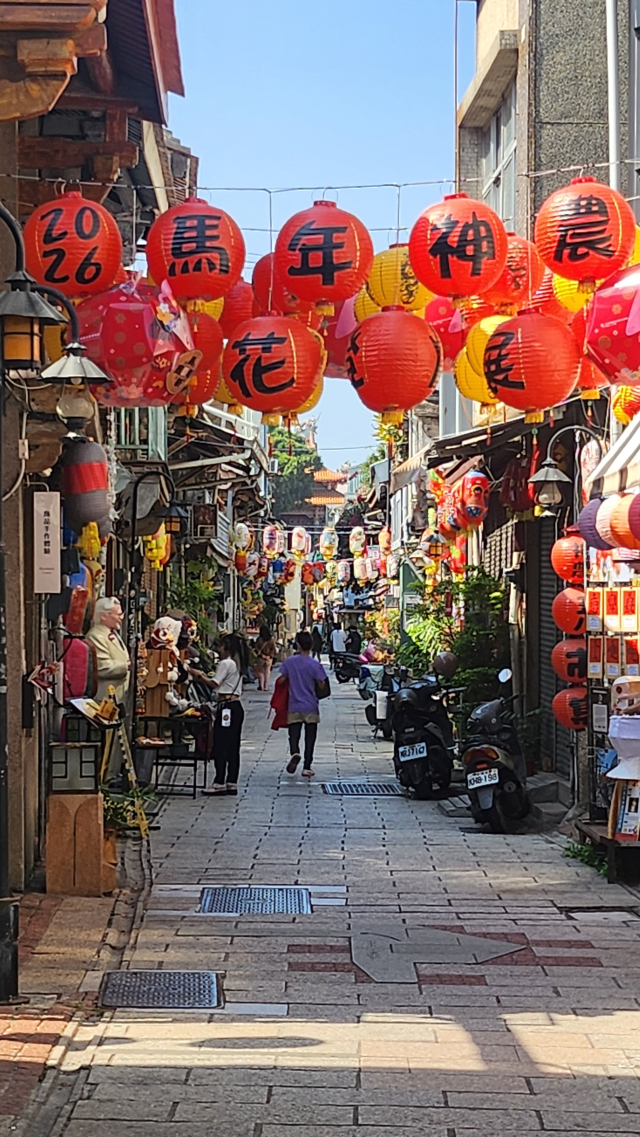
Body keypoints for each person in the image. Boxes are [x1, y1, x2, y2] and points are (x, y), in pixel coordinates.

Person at [190, 634, 244, 796]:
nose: (218, 649)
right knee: (233, 746)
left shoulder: (226, 663)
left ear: (226, 646)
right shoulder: (237, 663)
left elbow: (215, 683)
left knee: (220, 744)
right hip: (236, 706)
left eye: (220, 646)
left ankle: (219, 781)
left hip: (226, 707)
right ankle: (231, 782)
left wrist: (198, 675)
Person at [281, 630, 329, 778]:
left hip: (294, 704)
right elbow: (321, 684)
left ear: (298, 644)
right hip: (310, 705)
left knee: (293, 734)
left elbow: (281, 680)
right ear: (312, 645)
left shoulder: (289, 662)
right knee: (310, 737)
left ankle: (295, 751)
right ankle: (307, 767)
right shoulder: (315, 664)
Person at [253, 624, 277, 691]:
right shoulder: (271, 640)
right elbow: (273, 649)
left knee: (261, 672)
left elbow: (256, 648)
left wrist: (262, 655)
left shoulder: (259, 639)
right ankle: (266, 686)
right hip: (269, 658)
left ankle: (261, 685)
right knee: (267, 672)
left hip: (261, 658)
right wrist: (269, 656)